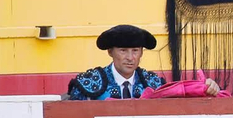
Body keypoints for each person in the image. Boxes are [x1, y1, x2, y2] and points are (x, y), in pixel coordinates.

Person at [64, 24, 205, 101]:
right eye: (123, 51)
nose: (130, 57)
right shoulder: (88, 83)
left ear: (142, 53)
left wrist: (207, 90)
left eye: (135, 51)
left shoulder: (154, 83)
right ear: (110, 52)